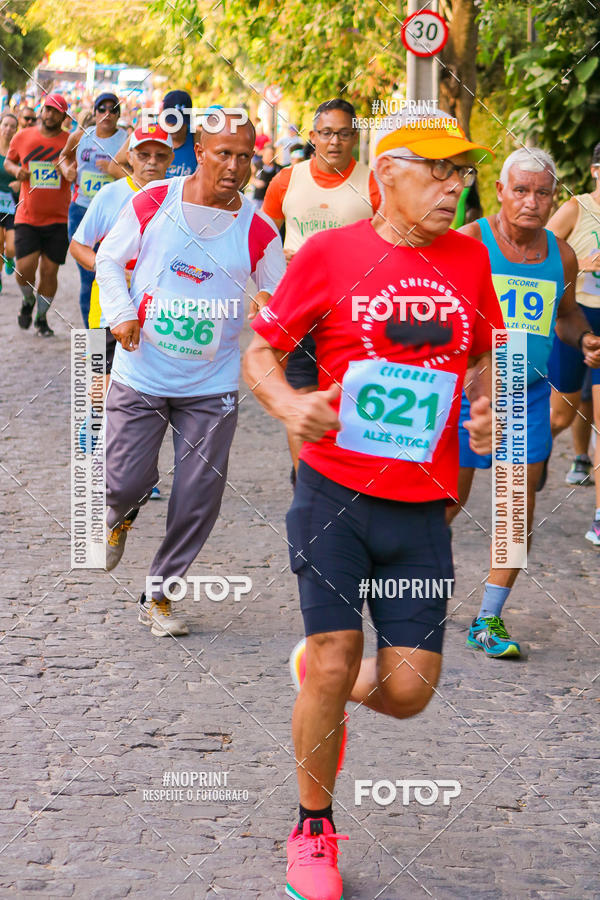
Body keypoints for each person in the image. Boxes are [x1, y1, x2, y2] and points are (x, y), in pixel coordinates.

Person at [244, 112, 500, 900]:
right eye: (437, 170)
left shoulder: (469, 260)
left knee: (409, 694)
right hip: (332, 498)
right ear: (387, 174)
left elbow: (483, 354)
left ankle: (323, 677)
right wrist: (290, 407)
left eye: (461, 172)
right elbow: (261, 348)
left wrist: (485, 408)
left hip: (423, 508)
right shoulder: (329, 253)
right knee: (333, 654)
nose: (454, 186)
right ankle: (313, 828)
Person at [94, 113, 285, 637]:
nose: (235, 166)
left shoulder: (258, 228)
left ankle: (160, 592)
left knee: (199, 494)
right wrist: (121, 312)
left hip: (211, 386)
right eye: (223, 153)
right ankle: (122, 511)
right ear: (198, 149)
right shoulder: (154, 202)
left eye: (245, 156)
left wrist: (267, 306)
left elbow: (279, 298)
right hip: (142, 372)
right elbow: (109, 261)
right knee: (124, 481)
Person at [448, 148, 600, 657]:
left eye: (542, 192)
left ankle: (488, 618)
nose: (532, 202)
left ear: (554, 197)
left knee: (517, 511)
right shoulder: (469, 244)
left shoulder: (562, 254)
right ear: (499, 192)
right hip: (467, 397)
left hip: (527, 394)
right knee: (445, 504)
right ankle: (397, 590)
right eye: (521, 190)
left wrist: (584, 341)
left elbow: (568, 315)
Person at [263, 98, 382, 476]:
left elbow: (388, 243)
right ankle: (305, 476)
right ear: (313, 136)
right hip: (299, 306)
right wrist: (264, 290)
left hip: (354, 312)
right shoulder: (287, 180)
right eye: (327, 133)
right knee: (300, 393)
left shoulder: (374, 183)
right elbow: (262, 239)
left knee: (349, 398)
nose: (335, 142)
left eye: (344, 133)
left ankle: (346, 473)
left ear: (354, 137)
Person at [69, 122, 175, 473]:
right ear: (130, 156)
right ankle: (96, 427)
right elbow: (78, 245)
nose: (151, 162)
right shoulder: (111, 195)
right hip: (108, 309)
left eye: (159, 156)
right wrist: (111, 271)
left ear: (170, 159)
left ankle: (136, 467)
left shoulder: (180, 199)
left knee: (144, 398)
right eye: (143, 154)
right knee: (104, 392)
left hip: (159, 316)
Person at [546, 142, 600, 542]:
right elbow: (539, 253)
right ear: (596, 171)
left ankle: (598, 516)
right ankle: (526, 460)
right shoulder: (577, 208)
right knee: (562, 415)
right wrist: (583, 263)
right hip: (575, 316)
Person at [4, 93, 71, 336]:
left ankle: (42, 319)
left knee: (49, 272)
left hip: (59, 218)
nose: (49, 114)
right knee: (24, 269)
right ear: (42, 110)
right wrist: (17, 172)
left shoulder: (69, 141)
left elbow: (75, 169)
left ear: (63, 116)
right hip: (27, 216)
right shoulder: (23, 137)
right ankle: (27, 300)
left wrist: (68, 170)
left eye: (56, 111)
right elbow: (9, 162)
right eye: (47, 109)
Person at [58, 92, 128, 326]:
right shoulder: (80, 136)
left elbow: (137, 174)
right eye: (102, 109)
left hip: (115, 215)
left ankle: (113, 332)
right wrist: (66, 169)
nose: (107, 114)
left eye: (113, 109)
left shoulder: (126, 140)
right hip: (82, 211)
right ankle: (92, 339)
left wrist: (113, 168)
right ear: (95, 112)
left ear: (119, 114)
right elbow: (63, 157)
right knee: (89, 277)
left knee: (114, 275)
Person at [107, 89, 198, 181]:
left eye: (180, 122)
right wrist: (142, 184)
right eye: (171, 121)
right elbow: (114, 166)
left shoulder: (197, 138)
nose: (175, 127)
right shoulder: (146, 132)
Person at [0, 111, 19, 288]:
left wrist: (20, 183)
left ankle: (10, 257)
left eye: (12, 126)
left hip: (13, 204)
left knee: (11, 246)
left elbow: (25, 174)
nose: (8, 129)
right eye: (5, 125)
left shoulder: (18, 151)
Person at [251, 143, 280, 209]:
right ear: (263, 153)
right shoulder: (257, 165)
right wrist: (256, 182)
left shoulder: (277, 168)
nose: (269, 156)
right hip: (258, 200)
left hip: (271, 200)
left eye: (271, 154)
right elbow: (250, 178)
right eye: (267, 154)